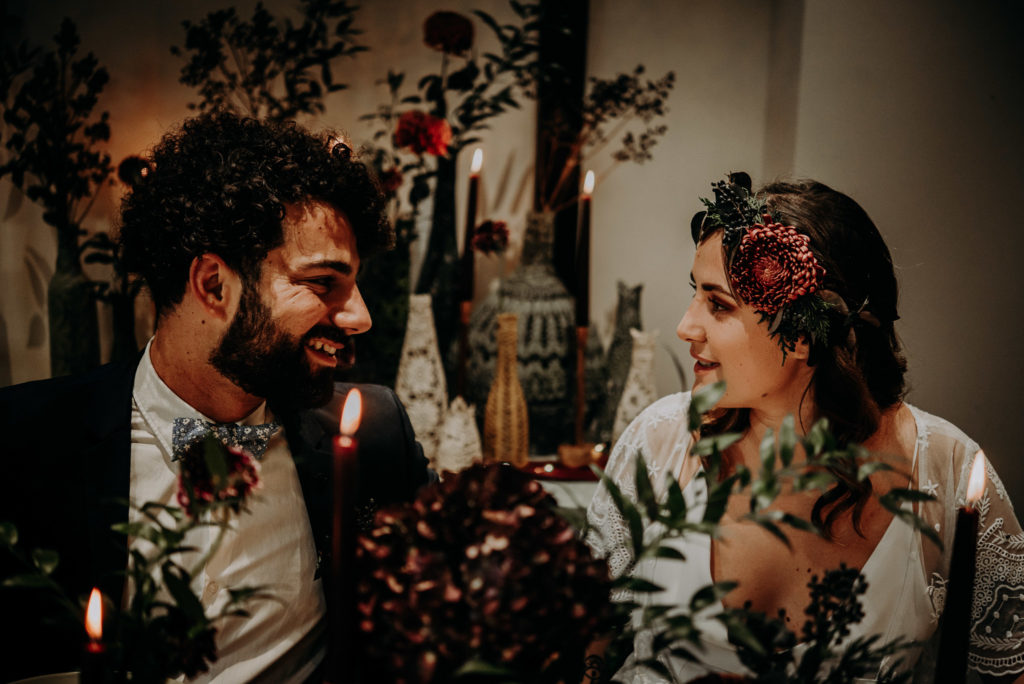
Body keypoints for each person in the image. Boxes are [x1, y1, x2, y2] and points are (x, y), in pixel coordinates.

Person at [0, 111, 435, 683]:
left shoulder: (373, 437)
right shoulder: (21, 441)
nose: (360, 317)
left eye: (354, 286)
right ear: (212, 284)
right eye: (322, 282)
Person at [585, 175, 1024, 682]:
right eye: (695, 294)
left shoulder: (948, 473)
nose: (685, 326)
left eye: (718, 304)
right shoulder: (660, 440)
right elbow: (586, 640)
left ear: (800, 335)